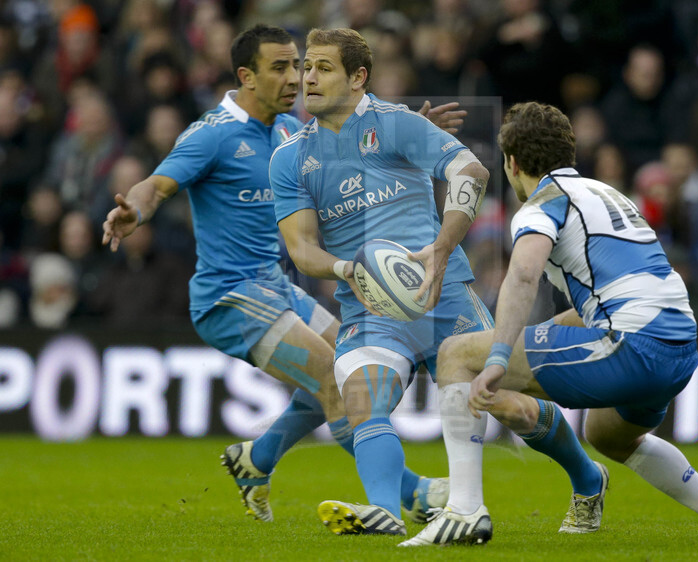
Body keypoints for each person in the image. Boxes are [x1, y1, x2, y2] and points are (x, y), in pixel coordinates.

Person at [102, 23, 463, 525]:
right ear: (246, 77)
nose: (295, 77)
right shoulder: (212, 135)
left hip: (276, 288)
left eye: (297, 64)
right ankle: (415, 494)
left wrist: (406, 135)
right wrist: (132, 211)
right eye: (280, 67)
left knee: (346, 364)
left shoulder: (293, 131)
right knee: (340, 387)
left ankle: (258, 458)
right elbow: (156, 186)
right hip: (229, 297)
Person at [271, 28, 603, 538]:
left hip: (442, 294)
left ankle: (587, 476)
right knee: (363, 396)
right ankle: (383, 509)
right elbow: (301, 248)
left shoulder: (399, 125)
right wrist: (346, 270)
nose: (307, 77)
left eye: (322, 67)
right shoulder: (290, 157)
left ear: (359, 78)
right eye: (305, 67)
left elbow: (470, 171)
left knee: (505, 403)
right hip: (369, 302)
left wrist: (444, 246)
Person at [401, 101, 698, 547]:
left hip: (633, 346)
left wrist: (499, 356)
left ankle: (463, 511)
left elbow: (523, 273)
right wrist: (550, 328)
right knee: (606, 434)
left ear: (512, 162)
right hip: (679, 346)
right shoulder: (608, 195)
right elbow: (619, 289)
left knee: (456, 354)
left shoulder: (542, 205)